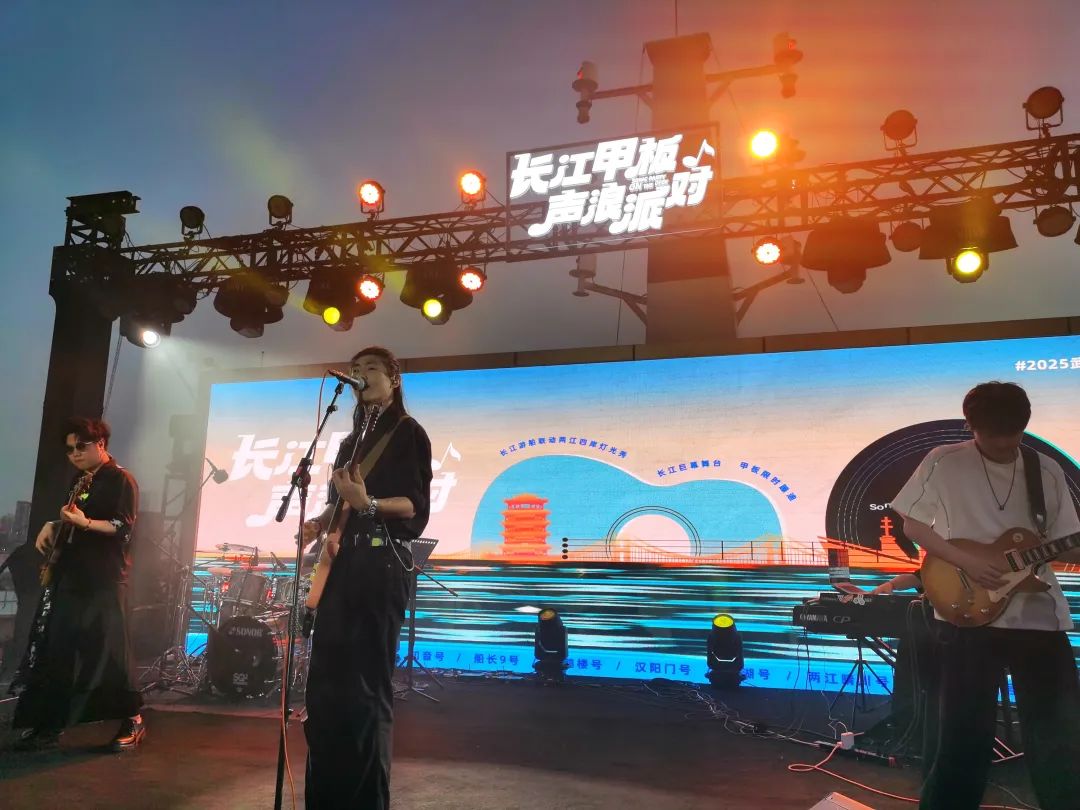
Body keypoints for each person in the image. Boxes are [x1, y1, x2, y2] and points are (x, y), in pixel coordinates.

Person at [891, 381, 1080, 810]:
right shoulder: (943, 461)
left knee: (1060, 737)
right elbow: (913, 525)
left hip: (1038, 617)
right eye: (992, 436)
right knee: (962, 737)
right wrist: (968, 562)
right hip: (967, 616)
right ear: (970, 426)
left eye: (1012, 435)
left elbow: (1066, 543)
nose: (1003, 445)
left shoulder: (1045, 469)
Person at [299, 346, 432, 809]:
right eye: (355, 370)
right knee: (326, 687)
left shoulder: (409, 432)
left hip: (380, 568)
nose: (360, 376)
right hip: (342, 568)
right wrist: (319, 523)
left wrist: (369, 504)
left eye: (371, 369)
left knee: (366, 690)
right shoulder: (348, 442)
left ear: (394, 379)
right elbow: (339, 505)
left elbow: (414, 506)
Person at [10, 416, 144, 752]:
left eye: (80, 447)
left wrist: (84, 523)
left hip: (105, 577)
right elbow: (72, 521)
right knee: (59, 650)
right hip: (71, 575)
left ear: (101, 444)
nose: (74, 454)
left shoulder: (121, 479)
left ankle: (133, 720)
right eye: (69, 449)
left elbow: (123, 527)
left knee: (110, 651)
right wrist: (53, 524)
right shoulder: (80, 480)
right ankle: (50, 724)